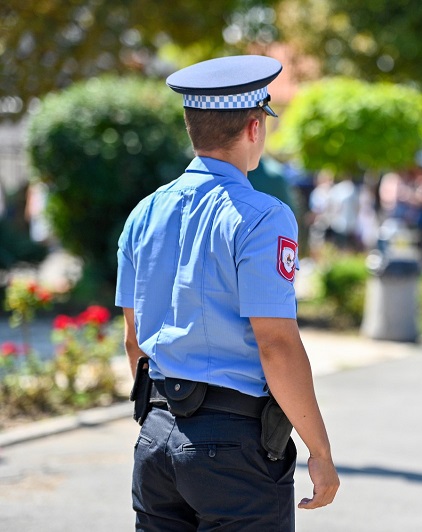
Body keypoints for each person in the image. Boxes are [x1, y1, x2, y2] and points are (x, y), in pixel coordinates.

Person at [115, 55, 339, 531]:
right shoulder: (262, 216)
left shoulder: (143, 213)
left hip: (156, 433)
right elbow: (275, 344)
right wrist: (319, 451)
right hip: (232, 447)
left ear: (191, 126)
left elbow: (133, 340)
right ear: (254, 127)